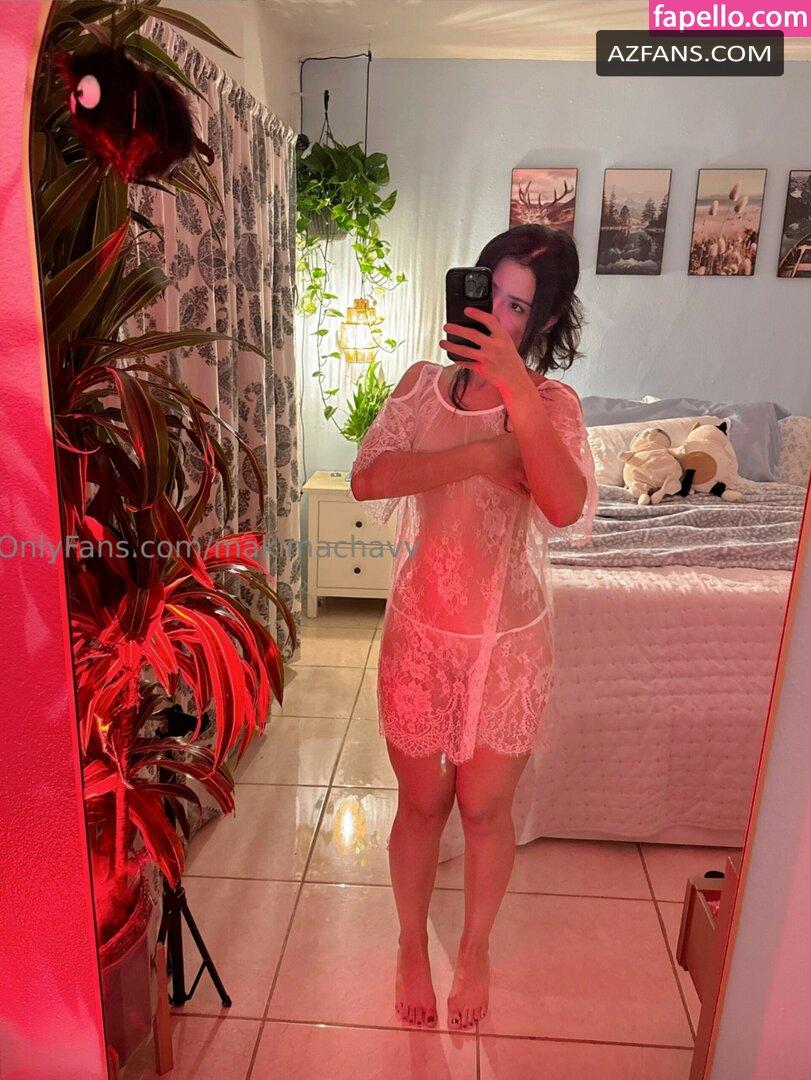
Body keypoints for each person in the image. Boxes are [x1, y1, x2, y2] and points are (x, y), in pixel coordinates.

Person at [349, 224, 599, 1031]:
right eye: (488, 290)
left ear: (544, 322)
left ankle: (476, 947)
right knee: (420, 806)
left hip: (507, 649)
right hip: (419, 639)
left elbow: (562, 505)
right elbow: (367, 478)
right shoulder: (421, 384)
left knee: (486, 813)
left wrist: (515, 392)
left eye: (516, 306)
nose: (495, 312)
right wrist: (477, 458)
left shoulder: (550, 406)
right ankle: (409, 946)